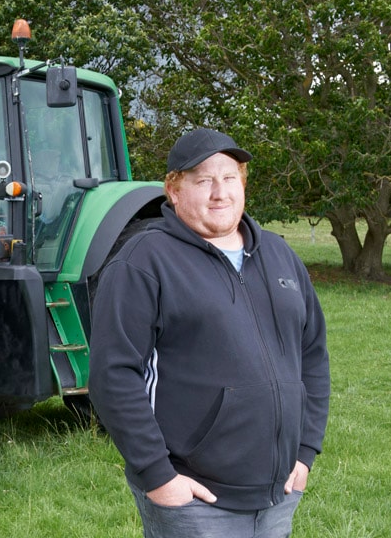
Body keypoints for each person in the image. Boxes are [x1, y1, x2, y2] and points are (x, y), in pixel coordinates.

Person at [88, 128, 330, 538]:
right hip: (196, 499)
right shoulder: (144, 262)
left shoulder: (279, 255)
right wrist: (159, 477)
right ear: (174, 190)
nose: (220, 192)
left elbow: (312, 356)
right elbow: (113, 375)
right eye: (203, 180)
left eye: (230, 177)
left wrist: (305, 453)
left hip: (279, 491)